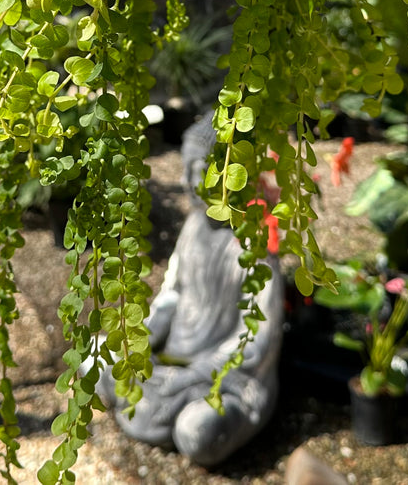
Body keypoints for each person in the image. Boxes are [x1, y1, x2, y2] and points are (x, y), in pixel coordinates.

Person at [98, 111, 285, 466]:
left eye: (197, 172)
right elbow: (174, 294)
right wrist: (143, 338)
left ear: (232, 176)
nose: (186, 181)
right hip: (173, 359)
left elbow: (257, 340)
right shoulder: (194, 228)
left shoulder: (256, 243)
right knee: (98, 355)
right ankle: (153, 397)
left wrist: (193, 376)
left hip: (225, 377)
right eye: (186, 170)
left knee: (196, 432)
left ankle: (185, 416)